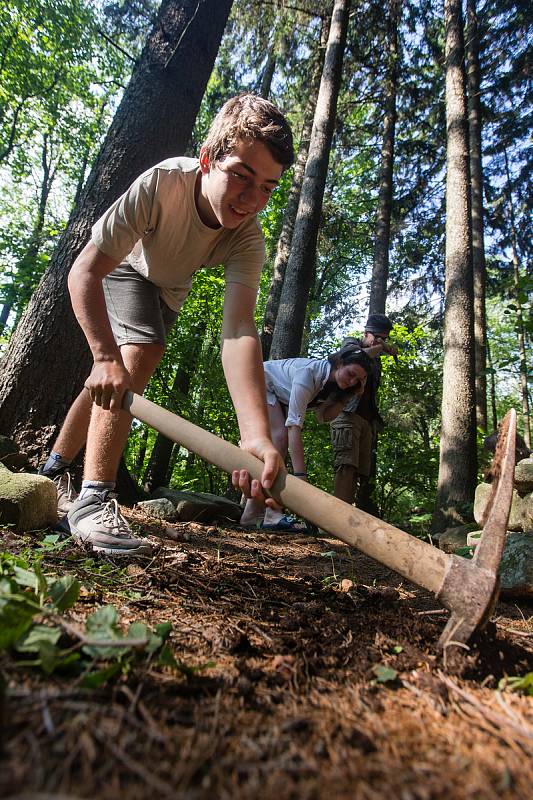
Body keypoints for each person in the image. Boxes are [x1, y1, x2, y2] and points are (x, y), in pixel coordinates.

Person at [38, 94, 294, 556]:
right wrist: (102, 353)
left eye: (269, 188)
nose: (253, 200)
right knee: (135, 353)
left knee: (118, 376)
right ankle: (93, 498)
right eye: (242, 176)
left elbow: (238, 330)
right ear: (207, 160)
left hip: (169, 289)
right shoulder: (163, 183)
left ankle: (54, 468)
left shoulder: (248, 239)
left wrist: (255, 435)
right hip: (123, 266)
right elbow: (84, 271)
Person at [238, 347, 372, 531]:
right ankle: (270, 513)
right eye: (351, 374)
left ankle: (252, 515)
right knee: (279, 440)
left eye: (357, 380)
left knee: (277, 444)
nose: (351, 382)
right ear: (340, 363)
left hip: (278, 396)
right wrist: (301, 476)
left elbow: (323, 417)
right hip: (256, 380)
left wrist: (347, 397)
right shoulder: (308, 375)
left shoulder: (332, 384)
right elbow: (293, 427)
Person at [330, 313, 396, 508]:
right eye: (377, 337)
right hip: (346, 414)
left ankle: (351, 518)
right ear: (366, 333)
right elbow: (352, 356)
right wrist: (382, 348)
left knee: (361, 472)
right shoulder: (351, 343)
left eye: (384, 339)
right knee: (346, 466)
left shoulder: (377, 361)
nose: (381, 342)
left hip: (366, 420)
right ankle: (337, 520)